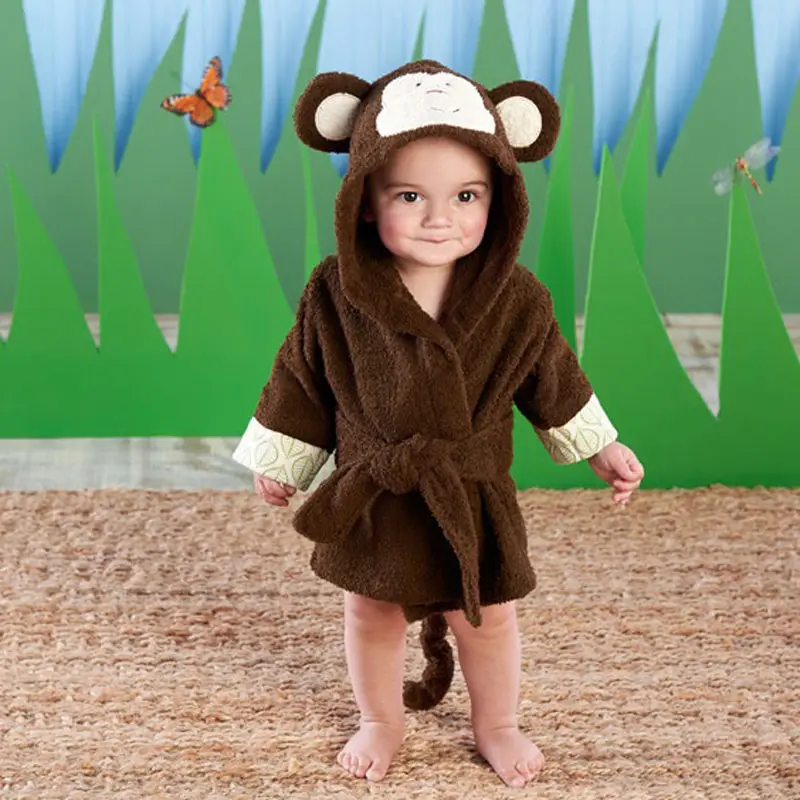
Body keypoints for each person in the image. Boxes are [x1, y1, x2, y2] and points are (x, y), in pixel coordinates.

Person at [232, 60, 644, 789]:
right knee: (371, 611)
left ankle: (498, 723)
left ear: (499, 200)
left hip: (470, 489)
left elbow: (551, 375)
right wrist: (284, 456)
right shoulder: (335, 293)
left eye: (466, 196)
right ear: (365, 201)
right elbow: (302, 375)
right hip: (380, 489)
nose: (438, 217)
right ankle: (380, 719)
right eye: (410, 196)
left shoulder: (517, 298)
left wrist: (599, 444)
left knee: (486, 616)